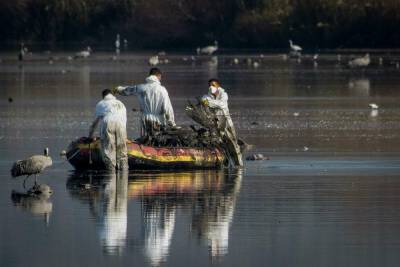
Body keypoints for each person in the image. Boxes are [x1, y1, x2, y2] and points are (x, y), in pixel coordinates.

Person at [114, 68, 176, 137]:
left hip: (145, 119)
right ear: (158, 76)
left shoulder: (142, 88)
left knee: (146, 140)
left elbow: (128, 90)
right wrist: (172, 123)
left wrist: (118, 89)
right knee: (159, 140)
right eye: (160, 77)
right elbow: (168, 108)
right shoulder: (162, 90)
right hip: (159, 121)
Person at [202, 79, 243, 167]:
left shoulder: (224, 94)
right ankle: (225, 162)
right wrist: (212, 103)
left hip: (228, 122)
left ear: (218, 86)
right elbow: (204, 102)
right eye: (210, 85)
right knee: (221, 142)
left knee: (233, 142)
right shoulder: (205, 97)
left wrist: (210, 103)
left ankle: (239, 164)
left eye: (213, 85)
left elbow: (222, 105)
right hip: (216, 123)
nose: (211, 87)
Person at [89, 89, 128, 171]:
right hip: (121, 126)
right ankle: (124, 172)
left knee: (109, 151)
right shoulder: (120, 103)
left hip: (108, 124)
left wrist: (90, 136)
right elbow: (124, 119)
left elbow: (94, 123)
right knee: (122, 152)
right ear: (113, 95)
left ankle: (111, 173)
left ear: (103, 96)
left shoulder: (101, 103)